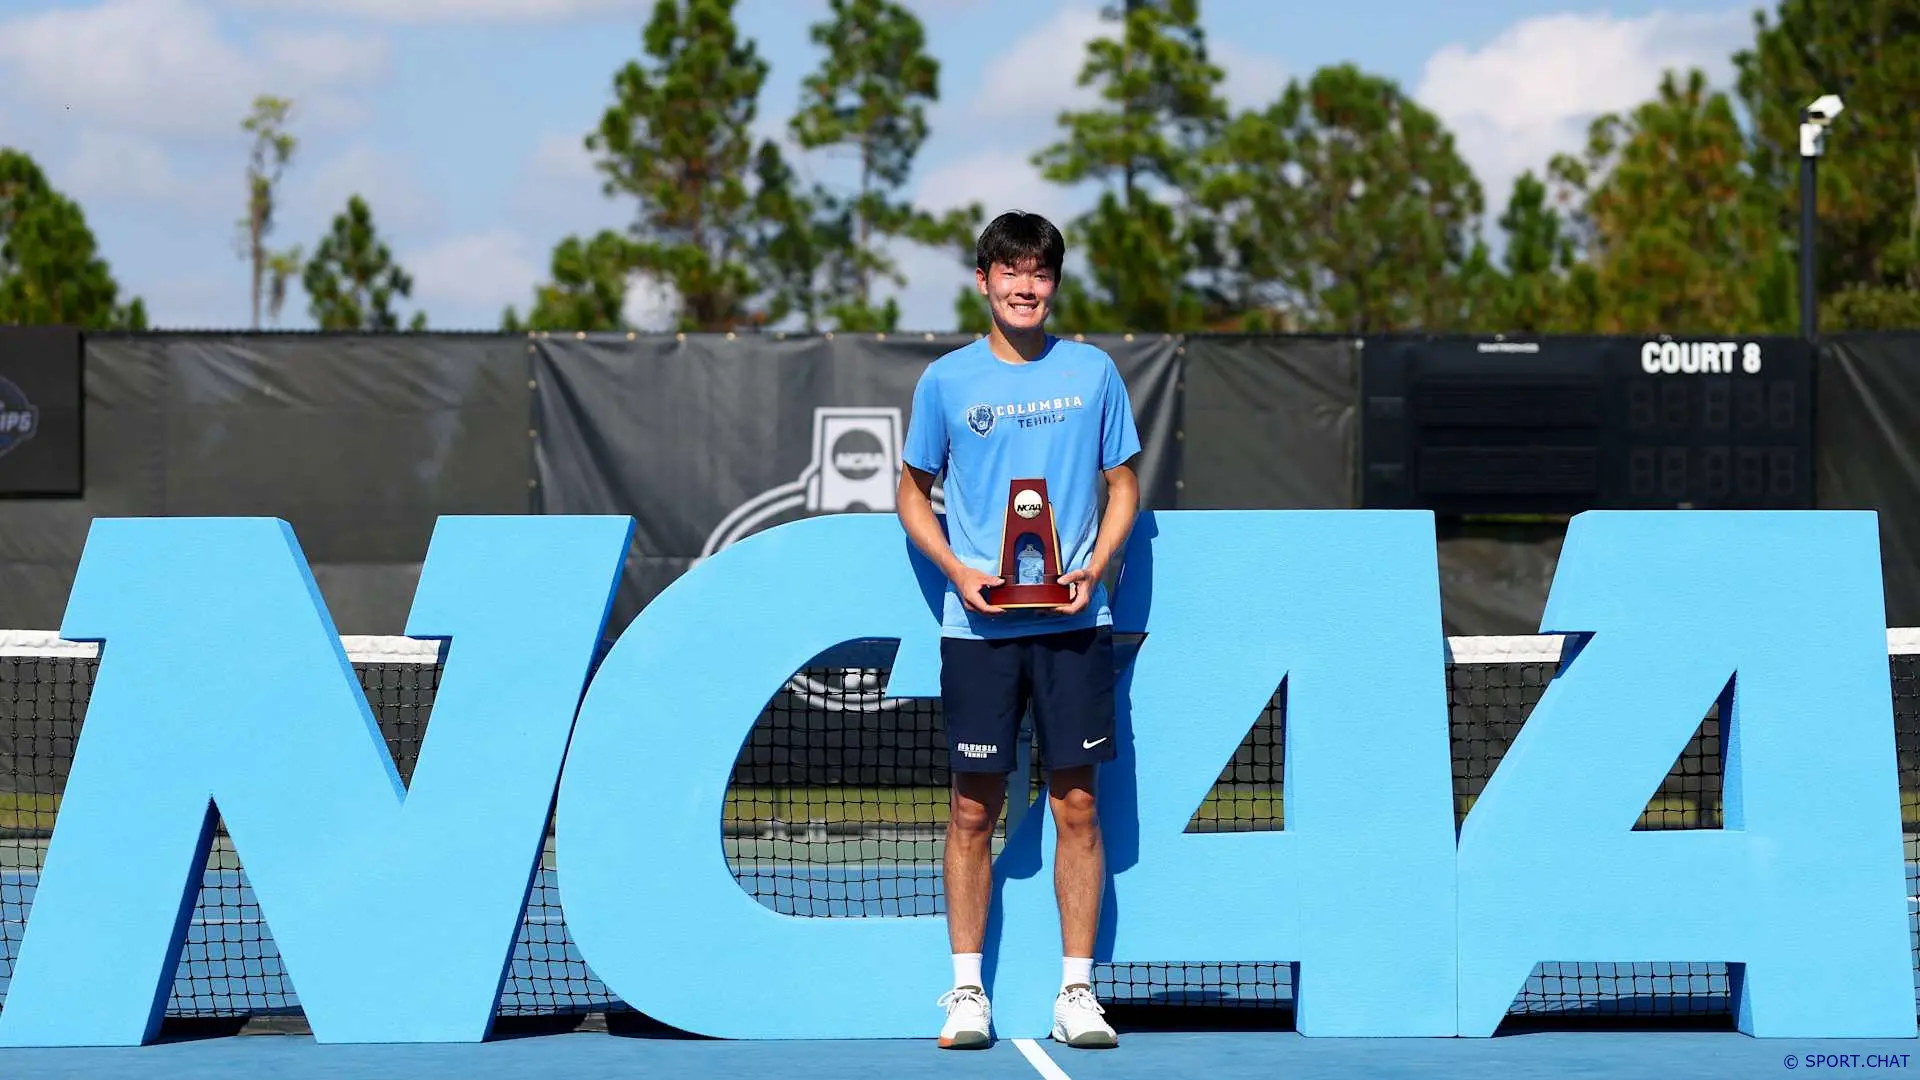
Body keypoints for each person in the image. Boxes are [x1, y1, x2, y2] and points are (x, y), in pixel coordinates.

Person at [895, 210, 1142, 1051]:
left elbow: (1123, 486)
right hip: (977, 632)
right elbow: (910, 491)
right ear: (984, 282)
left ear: (1054, 285)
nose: (1025, 287)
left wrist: (1096, 569)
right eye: (1011, 273)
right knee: (972, 809)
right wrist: (958, 571)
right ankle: (967, 994)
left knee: (1078, 805)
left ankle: (1077, 994)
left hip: (1076, 625)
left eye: (1039, 274)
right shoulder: (945, 383)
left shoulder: (1094, 372)